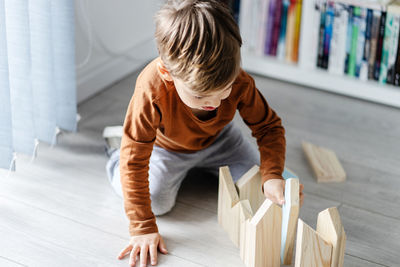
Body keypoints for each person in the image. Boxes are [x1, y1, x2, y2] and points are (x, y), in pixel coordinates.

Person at [104, 1, 304, 266]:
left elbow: (268, 127)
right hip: (167, 148)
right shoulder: (151, 87)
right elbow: (135, 160)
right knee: (157, 203)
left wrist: (272, 174)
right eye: (200, 95)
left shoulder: (239, 81)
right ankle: (114, 150)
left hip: (221, 141)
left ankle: (246, 173)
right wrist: (142, 227)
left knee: (259, 188)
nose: (216, 103)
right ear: (167, 73)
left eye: (225, 90)